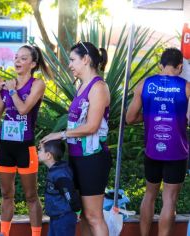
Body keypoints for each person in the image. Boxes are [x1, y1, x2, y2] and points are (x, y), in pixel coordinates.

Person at [41, 41, 111, 236]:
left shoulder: (98, 87)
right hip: (78, 157)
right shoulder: (82, 86)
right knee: (85, 216)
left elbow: (92, 126)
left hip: (93, 158)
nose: (70, 65)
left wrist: (60, 134)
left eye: (73, 60)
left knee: (94, 215)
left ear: (86, 59)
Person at [0, 45, 52, 236]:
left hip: (25, 146)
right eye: (16, 57)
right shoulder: (8, 84)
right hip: (5, 146)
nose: (17, 61)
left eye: (23, 58)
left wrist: (13, 91)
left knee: (31, 196)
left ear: (33, 64)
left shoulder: (37, 84)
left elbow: (24, 110)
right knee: (7, 195)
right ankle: (4, 233)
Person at [126, 47, 190, 236]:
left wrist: (151, 118)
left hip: (152, 150)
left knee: (149, 195)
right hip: (176, 151)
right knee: (169, 199)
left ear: (160, 65)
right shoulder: (186, 87)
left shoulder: (145, 84)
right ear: (180, 66)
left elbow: (130, 118)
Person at [38, 140, 81, 236]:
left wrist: (77, 209)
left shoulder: (60, 174)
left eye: (40, 150)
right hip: (56, 216)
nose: (38, 152)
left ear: (48, 155)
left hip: (64, 217)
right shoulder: (55, 170)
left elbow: (69, 192)